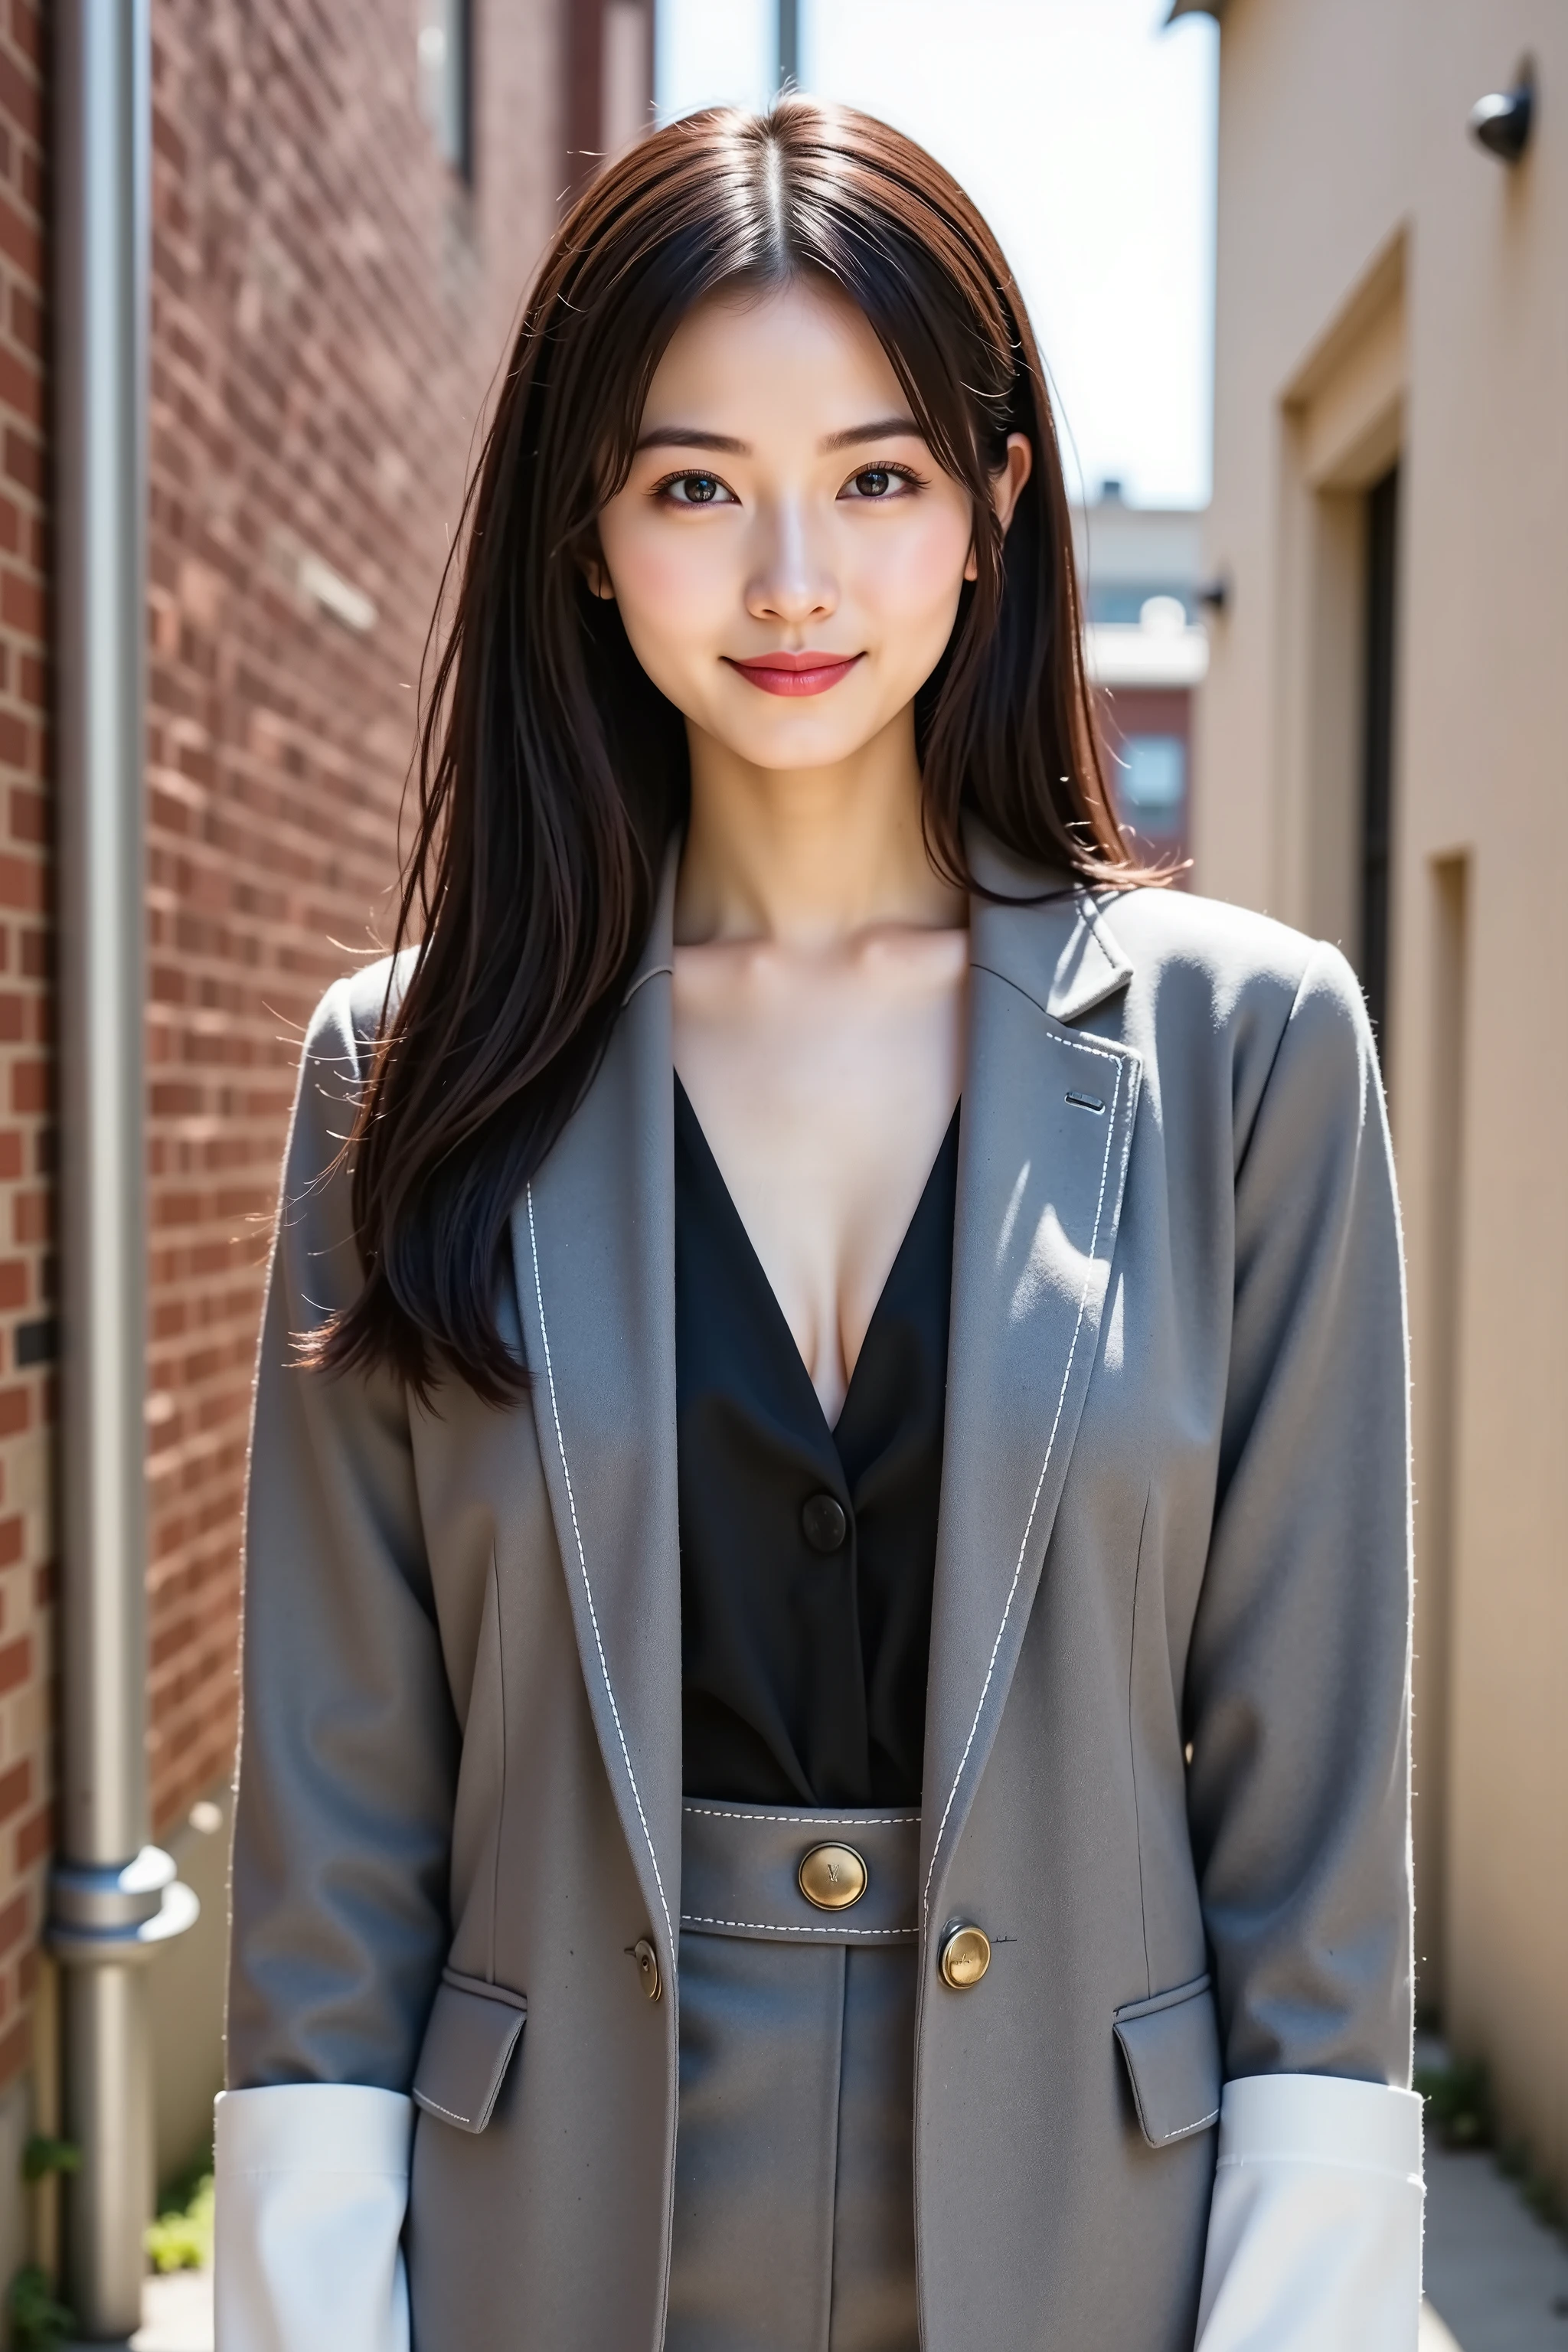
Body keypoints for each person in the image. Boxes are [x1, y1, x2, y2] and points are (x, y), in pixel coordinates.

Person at [214, 99, 1420, 2352]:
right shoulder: (410, 1072)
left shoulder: (1252, 1056)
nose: (791, 577)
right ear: (588, 534)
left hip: (1099, 2246)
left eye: (876, 478)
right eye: (695, 486)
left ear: (995, 508)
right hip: (549, 2249)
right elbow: (336, 1835)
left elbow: (1314, 1828)